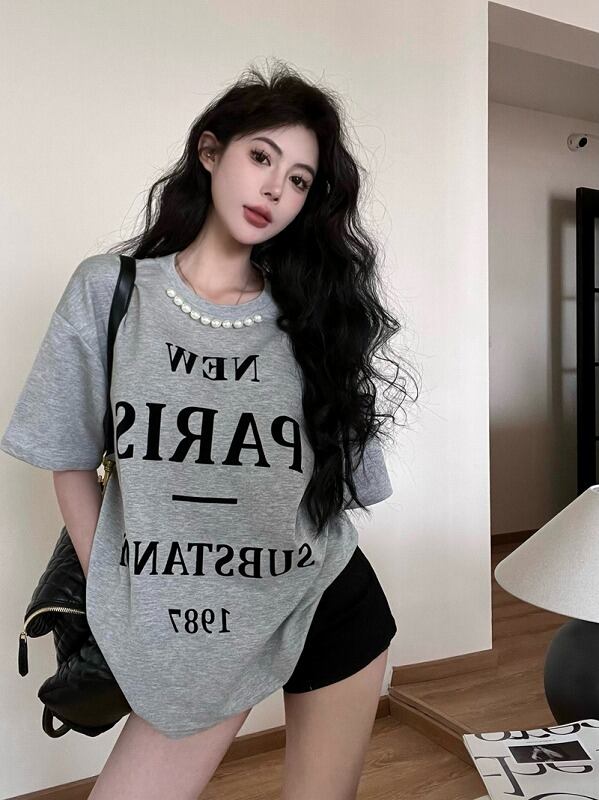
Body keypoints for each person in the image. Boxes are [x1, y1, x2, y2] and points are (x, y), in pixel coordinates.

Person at [1, 60, 419, 800]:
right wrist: (117, 592)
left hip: (323, 598)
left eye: (298, 180)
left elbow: (352, 486)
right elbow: (67, 458)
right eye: (261, 157)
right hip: (181, 633)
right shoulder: (111, 291)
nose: (274, 189)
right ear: (210, 151)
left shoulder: (314, 317)